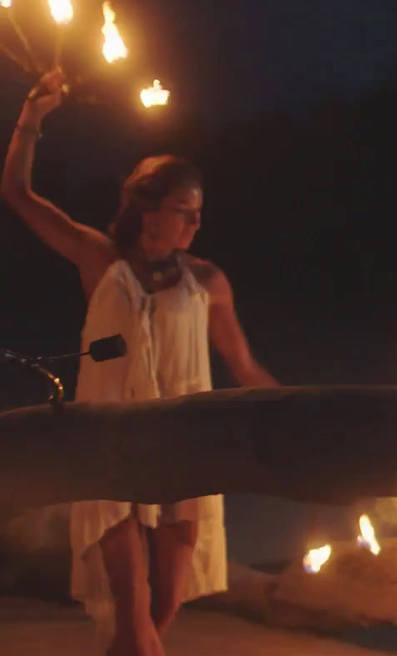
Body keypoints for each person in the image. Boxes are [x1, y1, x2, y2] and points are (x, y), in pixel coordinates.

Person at [2, 69, 279, 656]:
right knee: (134, 619)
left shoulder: (208, 281)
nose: (195, 221)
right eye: (183, 209)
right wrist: (32, 119)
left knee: (163, 609)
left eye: (199, 211)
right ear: (146, 210)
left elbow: (243, 365)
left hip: (188, 447)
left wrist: (301, 414)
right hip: (113, 448)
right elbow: (18, 195)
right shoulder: (101, 260)